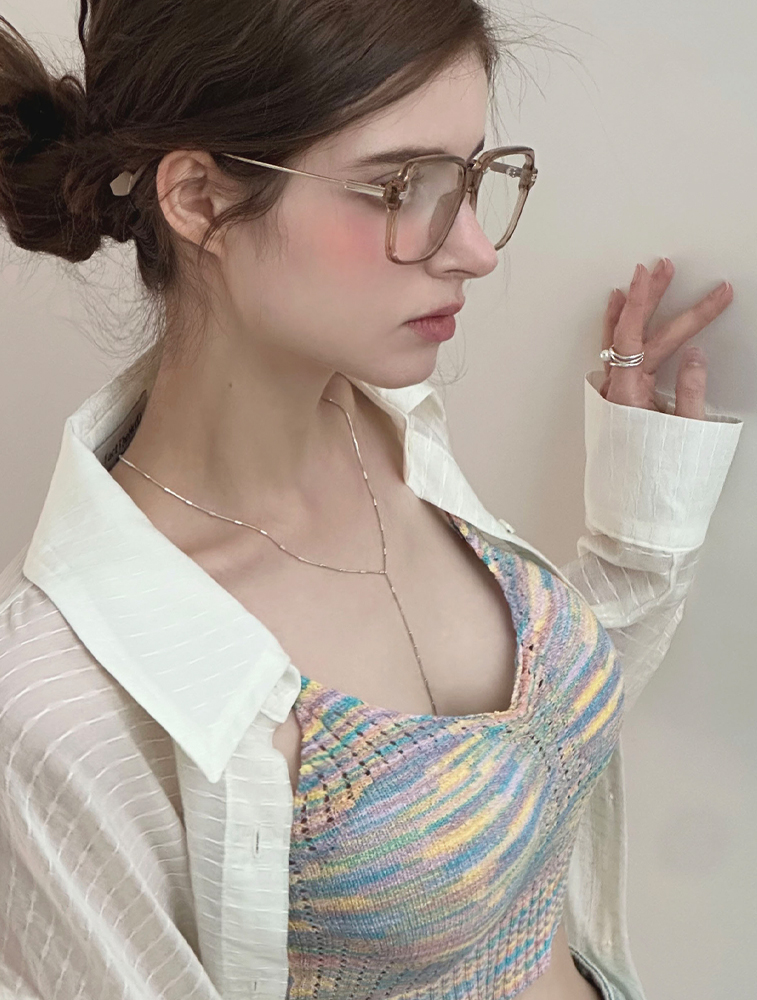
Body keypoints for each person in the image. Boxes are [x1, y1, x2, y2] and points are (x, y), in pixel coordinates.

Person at [0, 2, 744, 999]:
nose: (475, 249)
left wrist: (641, 508)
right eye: (402, 186)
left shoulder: (394, 430)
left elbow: (517, 773)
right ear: (199, 200)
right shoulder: (62, 703)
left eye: (470, 177)